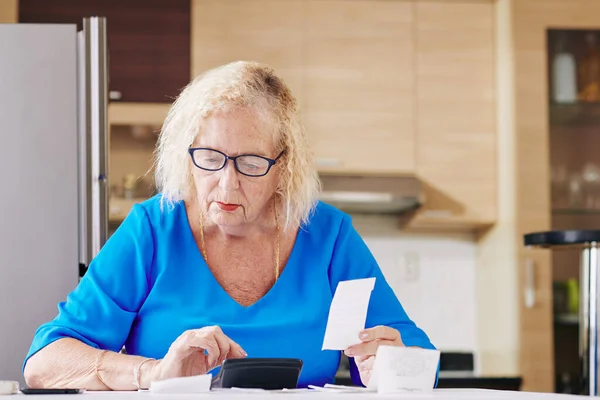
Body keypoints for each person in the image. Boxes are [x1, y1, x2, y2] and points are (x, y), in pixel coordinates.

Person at [22, 61, 435, 390]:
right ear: (187, 154)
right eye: (210, 157)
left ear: (283, 167)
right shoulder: (151, 229)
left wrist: (393, 363)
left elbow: (420, 363)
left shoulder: (328, 236)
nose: (226, 182)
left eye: (251, 163)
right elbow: (45, 363)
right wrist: (152, 374)